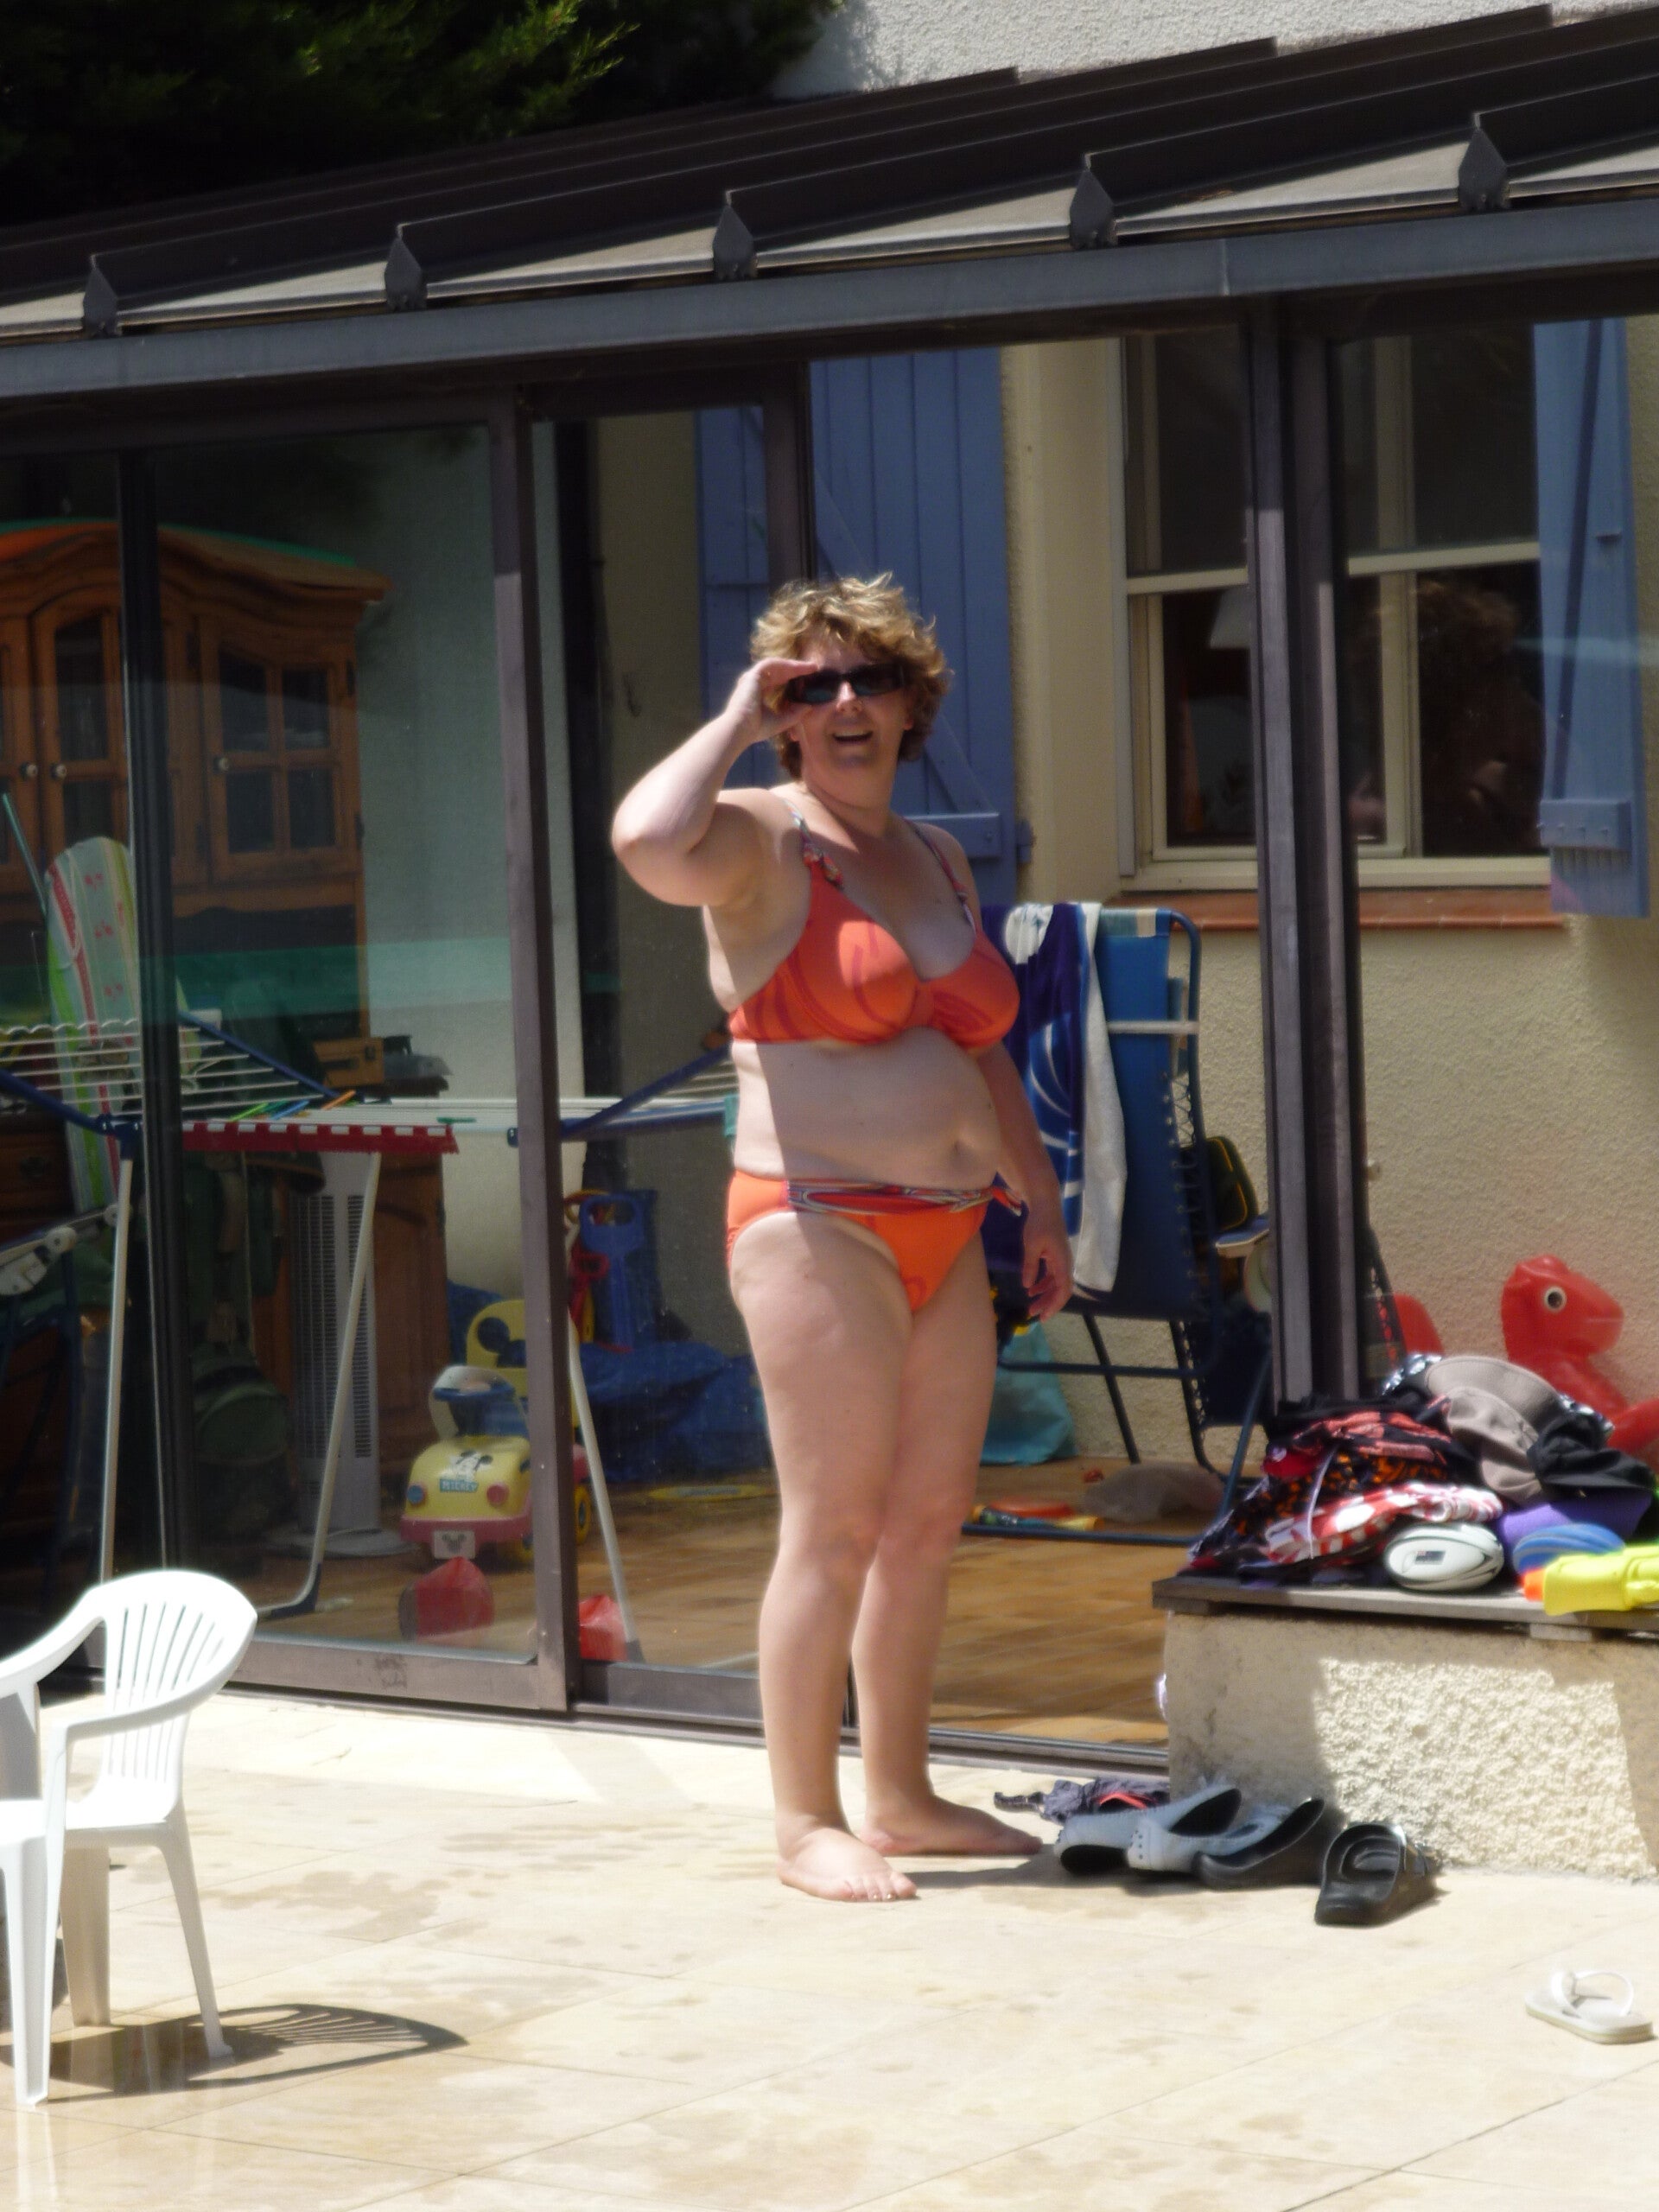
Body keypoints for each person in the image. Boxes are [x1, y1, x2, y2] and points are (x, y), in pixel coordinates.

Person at [612, 574, 1071, 1903]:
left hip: (950, 1227)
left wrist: (1038, 1196)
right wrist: (732, 720)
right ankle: (805, 1820)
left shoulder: (932, 856)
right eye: (811, 688)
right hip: (819, 1223)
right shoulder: (759, 837)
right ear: (787, 716)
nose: (847, 704)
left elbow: (978, 1044)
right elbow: (644, 838)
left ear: (913, 700)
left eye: (871, 678)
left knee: (926, 1524)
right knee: (834, 1529)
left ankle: (902, 1797)